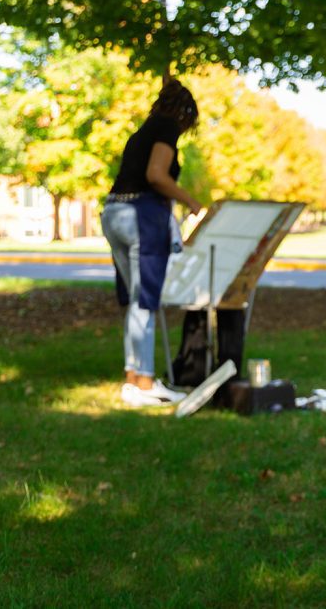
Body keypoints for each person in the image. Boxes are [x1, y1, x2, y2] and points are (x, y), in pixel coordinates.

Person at [100, 77, 203, 407]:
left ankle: (133, 379)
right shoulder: (166, 128)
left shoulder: (141, 131)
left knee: (134, 301)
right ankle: (144, 382)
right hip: (140, 217)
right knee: (145, 300)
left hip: (113, 212)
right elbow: (156, 175)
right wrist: (190, 200)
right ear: (185, 114)